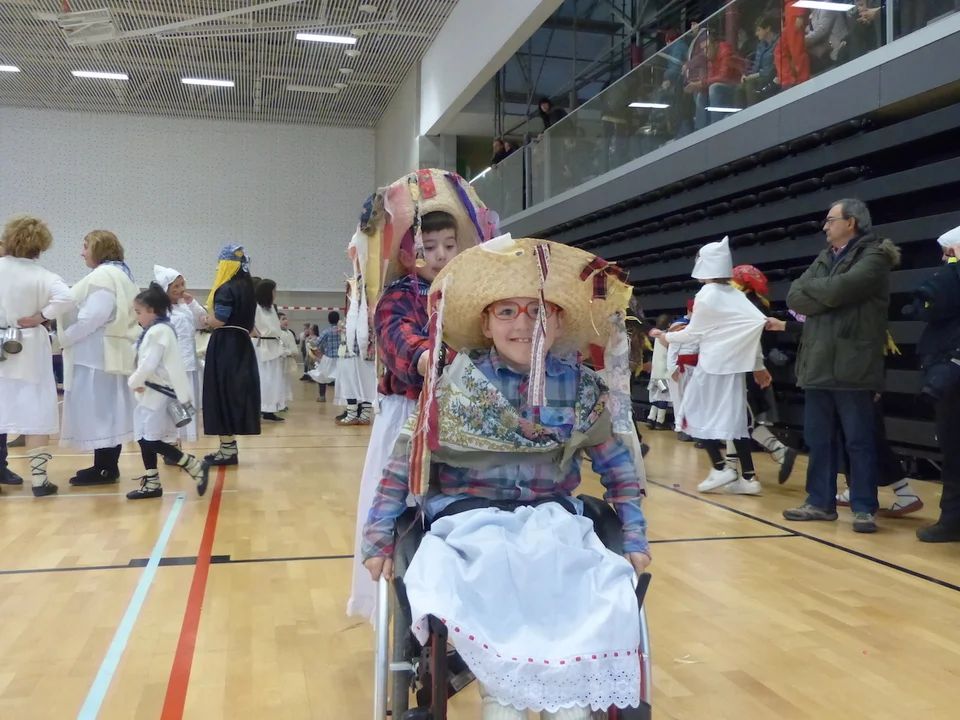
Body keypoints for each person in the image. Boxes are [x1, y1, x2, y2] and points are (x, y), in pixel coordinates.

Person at [362, 235, 648, 719]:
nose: (524, 324)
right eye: (507, 312)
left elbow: (618, 468)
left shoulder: (581, 388)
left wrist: (635, 536)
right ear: (486, 323)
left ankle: (568, 698)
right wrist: (377, 538)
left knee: (589, 585)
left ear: (559, 321)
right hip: (468, 525)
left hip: (554, 523)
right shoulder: (455, 384)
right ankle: (502, 695)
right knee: (491, 577)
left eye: (539, 311)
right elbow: (402, 464)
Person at [347, 168, 499, 621]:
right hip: (409, 414)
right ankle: (401, 608)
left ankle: (457, 604)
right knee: (405, 507)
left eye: (449, 246)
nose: (441, 255)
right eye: (429, 247)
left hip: (460, 413)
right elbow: (397, 339)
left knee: (461, 508)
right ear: (408, 252)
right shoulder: (399, 296)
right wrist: (425, 357)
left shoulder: (467, 296)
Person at [782, 199, 899, 533]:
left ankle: (863, 508)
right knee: (819, 440)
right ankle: (820, 502)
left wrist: (822, 295)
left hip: (854, 365)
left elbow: (838, 291)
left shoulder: (875, 255)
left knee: (859, 441)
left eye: (830, 220)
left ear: (851, 222)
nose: (825, 226)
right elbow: (794, 296)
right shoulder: (825, 256)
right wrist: (828, 294)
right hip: (818, 362)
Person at [654, 237, 770, 495]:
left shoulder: (707, 295)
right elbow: (755, 325)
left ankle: (720, 468)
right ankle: (749, 478)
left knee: (691, 411)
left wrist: (667, 337)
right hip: (734, 367)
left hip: (713, 365)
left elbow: (694, 333)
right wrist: (757, 364)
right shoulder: (735, 295)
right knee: (734, 420)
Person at [0, 216, 74, 496]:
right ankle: (40, 480)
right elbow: (66, 299)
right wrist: (42, 316)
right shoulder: (45, 276)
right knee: (36, 408)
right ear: (41, 246)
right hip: (30, 344)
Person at [59, 231, 139, 486]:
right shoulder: (121, 273)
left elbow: (92, 317)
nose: (81, 252)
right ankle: (104, 466)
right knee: (107, 411)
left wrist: (63, 338)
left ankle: (105, 468)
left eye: (85, 246)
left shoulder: (104, 276)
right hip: (108, 353)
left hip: (96, 356)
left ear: (99, 249)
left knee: (101, 412)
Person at [126, 283, 210, 499]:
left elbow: (148, 364)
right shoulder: (156, 330)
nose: (136, 317)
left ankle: (193, 465)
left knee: (150, 439)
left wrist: (133, 381)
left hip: (159, 393)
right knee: (143, 436)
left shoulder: (159, 331)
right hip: (151, 391)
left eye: (138, 312)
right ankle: (152, 481)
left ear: (152, 310)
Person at [911, 225, 960, 542]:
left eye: (948, 254)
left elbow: (934, 301)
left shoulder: (952, 278)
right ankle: (953, 520)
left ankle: (952, 520)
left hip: (953, 369)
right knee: (953, 449)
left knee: (954, 447)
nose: (944, 260)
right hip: (948, 369)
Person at [730, 265, 799, 484]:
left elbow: (750, 340)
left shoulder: (744, 306)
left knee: (741, 417)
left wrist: (756, 365)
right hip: (750, 365)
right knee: (734, 418)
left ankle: (777, 450)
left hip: (745, 366)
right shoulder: (759, 304)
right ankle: (732, 468)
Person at [203, 244, 261, 465]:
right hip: (242, 344)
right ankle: (228, 448)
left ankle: (227, 449)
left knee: (221, 394)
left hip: (225, 345)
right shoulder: (248, 289)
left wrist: (205, 319)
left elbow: (220, 319)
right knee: (233, 395)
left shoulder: (226, 289)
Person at [154, 265, 207, 446]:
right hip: (170, 367)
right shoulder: (159, 310)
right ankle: (169, 442)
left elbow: (202, 322)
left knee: (185, 407)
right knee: (171, 406)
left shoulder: (185, 306)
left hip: (189, 364)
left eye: (182, 284)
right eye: (175, 286)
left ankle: (177, 443)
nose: (181, 289)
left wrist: (192, 303)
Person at [335, 268, 377, 427]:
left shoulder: (361, 308)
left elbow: (358, 329)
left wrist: (343, 327)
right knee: (366, 382)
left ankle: (353, 414)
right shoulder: (371, 308)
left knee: (352, 382)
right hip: (367, 352)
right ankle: (363, 415)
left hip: (356, 352)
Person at [252, 279, 286, 423]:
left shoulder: (272, 308)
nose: (275, 293)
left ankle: (270, 409)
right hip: (262, 347)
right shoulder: (255, 307)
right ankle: (258, 408)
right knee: (263, 379)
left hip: (274, 346)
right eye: (273, 291)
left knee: (274, 379)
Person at [665, 300, 698, 441]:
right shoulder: (678, 326)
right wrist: (672, 369)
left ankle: (693, 428)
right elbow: (672, 348)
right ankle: (681, 428)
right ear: (690, 311)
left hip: (696, 367)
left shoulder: (700, 326)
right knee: (679, 397)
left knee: (693, 399)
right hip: (681, 367)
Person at [645, 314, 673, 429]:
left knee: (656, 396)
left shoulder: (657, 337)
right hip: (664, 373)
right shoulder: (666, 336)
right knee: (663, 396)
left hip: (655, 373)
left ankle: (651, 418)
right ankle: (660, 421)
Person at [310, 311, 341, 403]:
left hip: (328, 358)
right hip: (340, 358)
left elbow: (317, 343)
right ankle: (342, 397)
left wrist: (310, 342)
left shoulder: (326, 331)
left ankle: (322, 396)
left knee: (321, 376)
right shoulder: (342, 331)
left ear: (328, 320)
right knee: (341, 378)